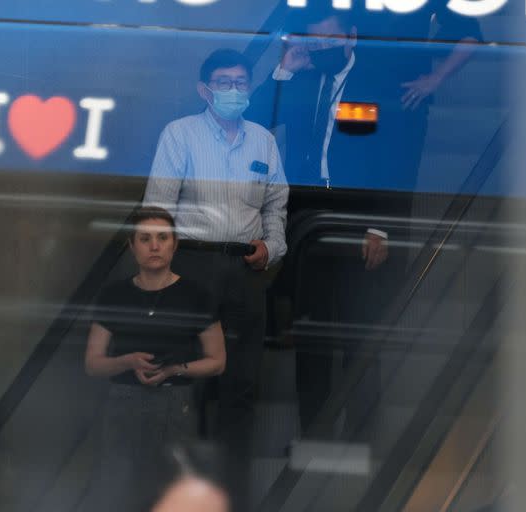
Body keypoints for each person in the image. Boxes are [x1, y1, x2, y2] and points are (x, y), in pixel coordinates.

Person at [248, 7, 481, 433]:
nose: (321, 50)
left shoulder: (377, 84)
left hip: (359, 223)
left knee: (359, 335)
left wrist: (380, 227)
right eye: (314, 43)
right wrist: (283, 71)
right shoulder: (302, 79)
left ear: (351, 37)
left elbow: (394, 161)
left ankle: (361, 437)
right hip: (309, 222)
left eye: (328, 41)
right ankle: (313, 435)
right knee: (311, 333)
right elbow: (255, 124)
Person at [143, 47, 288, 510]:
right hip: (191, 267)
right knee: (183, 383)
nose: (233, 90)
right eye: (223, 83)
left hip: (246, 270)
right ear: (205, 90)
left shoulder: (263, 140)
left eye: (241, 82)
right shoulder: (179, 135)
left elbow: (276, 208)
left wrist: (272, 247)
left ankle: (232, 494)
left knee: (241, 387)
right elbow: (158, 209)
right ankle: (176, 492)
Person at [83, 206, 225, 512]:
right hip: (124, 401)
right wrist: (127, 361)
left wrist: (176, 368)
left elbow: (218, 360)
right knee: (117, 490)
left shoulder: (197, 295)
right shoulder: (114, 295)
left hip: (177, 400)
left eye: (162, 238)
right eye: (145, 239)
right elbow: (93, 362)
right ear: (132, 247)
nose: (155, 246)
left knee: (172, 493)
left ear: (175, 244)